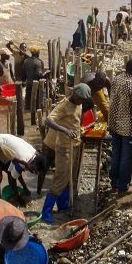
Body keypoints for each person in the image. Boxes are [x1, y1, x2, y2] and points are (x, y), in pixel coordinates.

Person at [41, 83, 92, 223]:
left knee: (70, 178)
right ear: (75, 94)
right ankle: (46, 212)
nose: (81, 102)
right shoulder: (64, 105)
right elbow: (48, 120)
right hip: (64, 147)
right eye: (80, 99)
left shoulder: (78, 104)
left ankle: (63, 206)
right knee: (60, 179)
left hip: (75, 145)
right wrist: (64, 130)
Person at [109, 58, 132, 194]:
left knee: (116, 154)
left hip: (113, 123)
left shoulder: (117, 79)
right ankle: (123, 186)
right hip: (127, 127)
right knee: (126, 158)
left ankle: (114, 183)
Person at [0, 133, 47, 204]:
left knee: (10, 172)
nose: (32, 172)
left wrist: (25, 188)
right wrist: (18, 197)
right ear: (33, 162)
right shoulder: (24, 160)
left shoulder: (32, 152)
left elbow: (17, 173)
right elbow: (12, 181)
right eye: (34, 170)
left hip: (3, 141)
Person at [22, 46, 47, 110]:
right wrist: (46, 73)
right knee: (37, 101)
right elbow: (38, 75)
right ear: (37, 53)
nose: (39, 53)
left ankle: (27, 111)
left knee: (28, 101)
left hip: (28, 84)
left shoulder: (26, 61)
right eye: (39, 52)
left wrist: (24, 82)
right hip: (36, 85)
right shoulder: (38, 62)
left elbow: (24, 75)